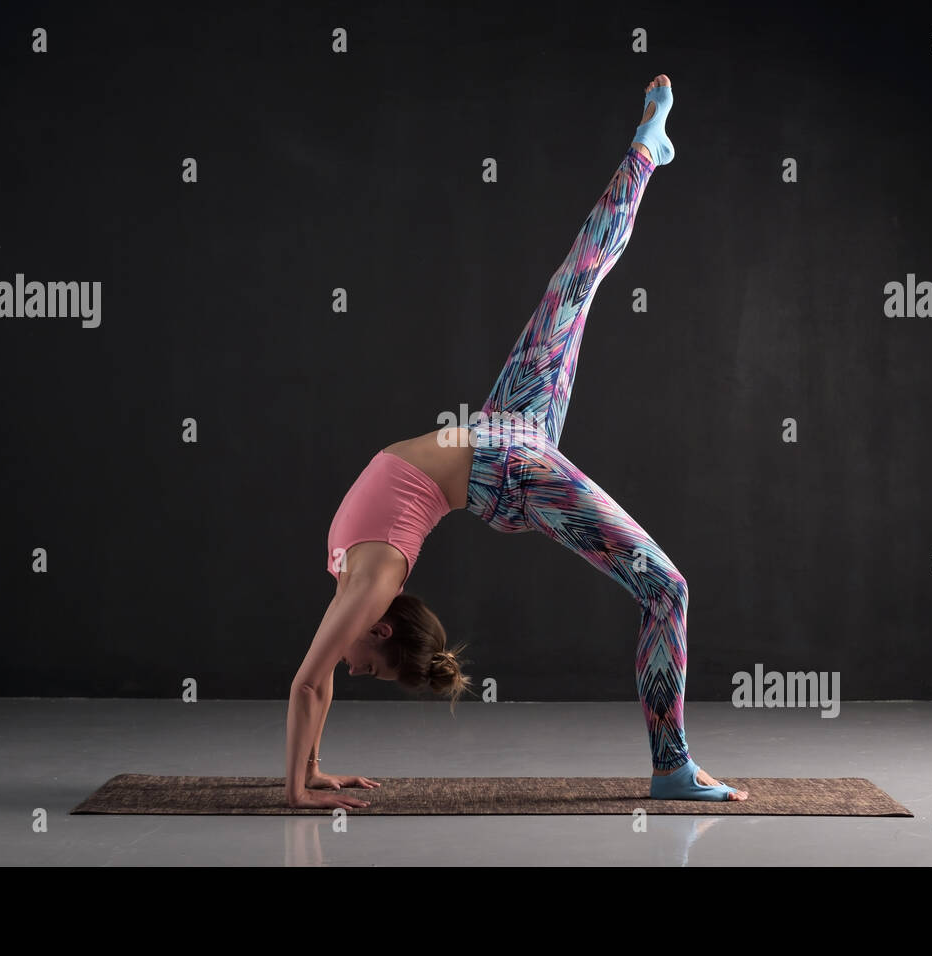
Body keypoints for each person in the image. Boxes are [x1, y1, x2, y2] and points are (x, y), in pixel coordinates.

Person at [286, 75, 748, 809]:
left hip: (508, 435)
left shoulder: (359, 580)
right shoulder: (368, 580)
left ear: (374, 628)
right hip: (508, 467)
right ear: (379, 627)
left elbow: (307, 684)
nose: (349, 668)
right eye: (366, 669)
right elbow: (313, 684)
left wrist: (302, 785)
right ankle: (672, 764)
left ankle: (644, 153)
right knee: (668, 588)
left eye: (361, 669)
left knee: (577, 280)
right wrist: (304, 777)